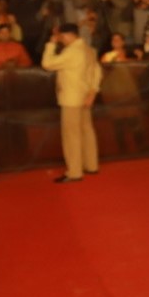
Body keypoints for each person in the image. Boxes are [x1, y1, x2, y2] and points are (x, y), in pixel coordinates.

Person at [42, 22, 101, 183]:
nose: (60, 40)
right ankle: (92, 165)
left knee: (71, 135)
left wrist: (50, 44)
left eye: (60, 37)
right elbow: (97, 71)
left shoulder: (72, 51)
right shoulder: (88, 49)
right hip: (85, 96)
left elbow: (47, 64)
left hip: (71, 98)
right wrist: (93, 92)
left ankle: (75, 171)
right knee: (87, 131)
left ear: (68, 35)